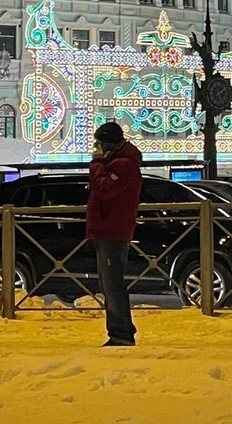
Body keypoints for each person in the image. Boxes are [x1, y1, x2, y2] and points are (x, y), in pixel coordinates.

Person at [87, 122, 142, 347]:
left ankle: (121, 332)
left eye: (99, 144)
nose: (96, 148)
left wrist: (97, 164)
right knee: (109, 283)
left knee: (112, 284)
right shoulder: (119, 163)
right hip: (108, 228)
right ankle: (119, 330)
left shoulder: (122, 165)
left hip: (112, 229)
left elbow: (104, 189)